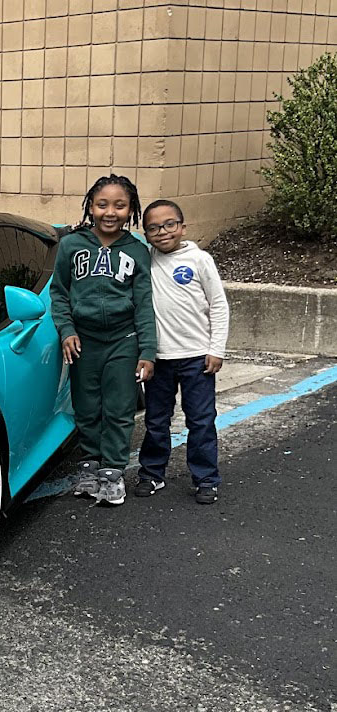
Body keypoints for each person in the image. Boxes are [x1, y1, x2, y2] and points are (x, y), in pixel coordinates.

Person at [50, 174, 157, 506]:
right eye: (102, 204)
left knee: (118, 407)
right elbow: (59, 294)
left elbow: (144, 303)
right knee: (86, 405)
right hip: (84, 340)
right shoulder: (71, 245)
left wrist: (147, 350)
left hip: (123, 340)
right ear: (91, 207)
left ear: (131, 210)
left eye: (120, 205)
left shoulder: (137, 251)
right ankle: (90, 463)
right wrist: (67, 330)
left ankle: (112, 471)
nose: (110, 212)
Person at [134, 199, 229, 504]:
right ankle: (151, 473)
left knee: (200, 420)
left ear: (183, 227)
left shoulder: (200, 260)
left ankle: (206, 478)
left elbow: (218, 305)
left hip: (197, 358)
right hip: (159, 359)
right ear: (145, 234)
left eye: (169, 224)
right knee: (156, 419)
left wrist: (216, 349)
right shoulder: (145, 260)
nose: (162, 232)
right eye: (153, 228)